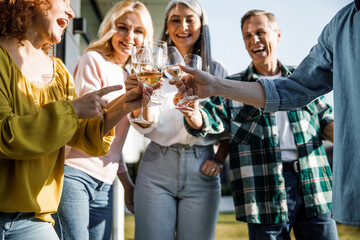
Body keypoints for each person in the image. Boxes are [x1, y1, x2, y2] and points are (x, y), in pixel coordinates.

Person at [175, 0, 360, 226]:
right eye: (247, 36)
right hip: (262, 188)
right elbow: (209, 121)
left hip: (314, 181)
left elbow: (326, 121)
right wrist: (192, 113)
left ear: (278, 35)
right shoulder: (232, 85)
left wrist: (348, 144)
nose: (254, 40)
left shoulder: (302, 78)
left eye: (260, 32)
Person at [0, 0, 152, 239]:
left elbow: (82, 135)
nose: (71, 11)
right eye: (65, 1)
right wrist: (73, 110)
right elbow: (4, 136)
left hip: (34, 219)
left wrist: (123, 105)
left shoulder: (59, 71)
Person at [126, 0, 229, 239]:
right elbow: (144, 125)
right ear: (167, 26)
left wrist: (220, 158)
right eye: (175, 19)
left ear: (202, 25)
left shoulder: (216, 70)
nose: (182, 26)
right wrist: (140, 105)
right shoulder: (151, 68)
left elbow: (228, 124)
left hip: (201, 167)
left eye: (190, 19)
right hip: (156, 165)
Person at [53, 1, 154, 239]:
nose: (130, 36)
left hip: (105, 183)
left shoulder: (132, 76)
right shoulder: (93, 60)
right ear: (110, 28)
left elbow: (113, 141)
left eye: (138, 31)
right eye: (122, 27)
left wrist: (127, 184)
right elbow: (90, 122)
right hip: (75, 174)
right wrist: (128, 101)